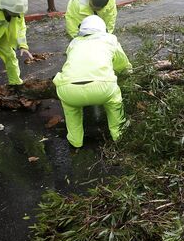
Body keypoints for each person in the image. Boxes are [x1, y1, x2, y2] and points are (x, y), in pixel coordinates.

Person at [53, 15, 132, 147]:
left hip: (68, 90)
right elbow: (122, 63)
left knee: (71, 110)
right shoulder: (109, 39)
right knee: (114, 101)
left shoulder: (74, 42)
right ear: (103, 28)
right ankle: (119, 135)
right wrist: (128, 72)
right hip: (102, 88)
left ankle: (76, 141)